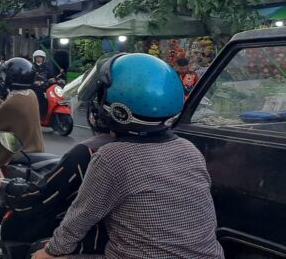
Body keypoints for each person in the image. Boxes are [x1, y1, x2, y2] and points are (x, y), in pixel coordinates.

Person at [31, 53, 223, 259]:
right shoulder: (189, 149)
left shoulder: (112, 157)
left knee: (35, 253)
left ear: (117, 110)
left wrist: (51, 251)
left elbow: (79, 219)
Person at [0, 102, 114, 257]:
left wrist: (3, 184)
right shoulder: (146, 151)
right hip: (134, 245)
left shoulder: (91, 152)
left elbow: (41, 198)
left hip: (103, 245)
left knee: (37, 252)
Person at [0, 58, 45, 160]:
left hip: (19, 154)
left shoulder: (13, 103)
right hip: (35, 149)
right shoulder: (31, 95)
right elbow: (8, 111)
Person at [30, 50, 58, 118]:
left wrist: (54, 79)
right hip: (35, 86)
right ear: (34, 58)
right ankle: (40, 112)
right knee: (39, 94)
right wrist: (34, 81)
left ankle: (54, 109)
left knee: (55, 91)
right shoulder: (31, 67)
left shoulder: (47, 67)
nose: (39, 59)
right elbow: (29, 76)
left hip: (46, 84)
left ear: (43, 58)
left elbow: (51, 76)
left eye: (41, 57)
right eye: (37, 57)